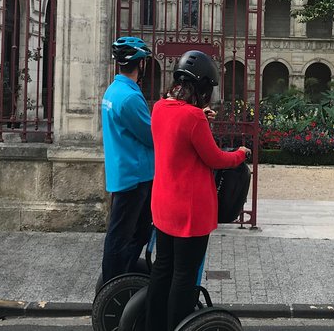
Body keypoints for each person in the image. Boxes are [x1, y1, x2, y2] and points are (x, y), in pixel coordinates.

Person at [145, 50, 250, 331]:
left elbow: (178, 131)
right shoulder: (194, 119)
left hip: (163, 205)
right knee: (184, 275)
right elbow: (215, 158)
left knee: (162, 269)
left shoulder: (159, 108)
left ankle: (153, 324)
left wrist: (198, 115)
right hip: (189, 212)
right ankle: (177, 325)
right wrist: (240, 153)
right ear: (203, 87)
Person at [100, 36, 155, 284]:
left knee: (135, 230)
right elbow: (151, 135)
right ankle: (115, 284)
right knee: (123, 235)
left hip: (123, 172)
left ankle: (123, 276)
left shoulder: (114, 91)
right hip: (136, 176)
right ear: (140, 63)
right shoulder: (130, 98)